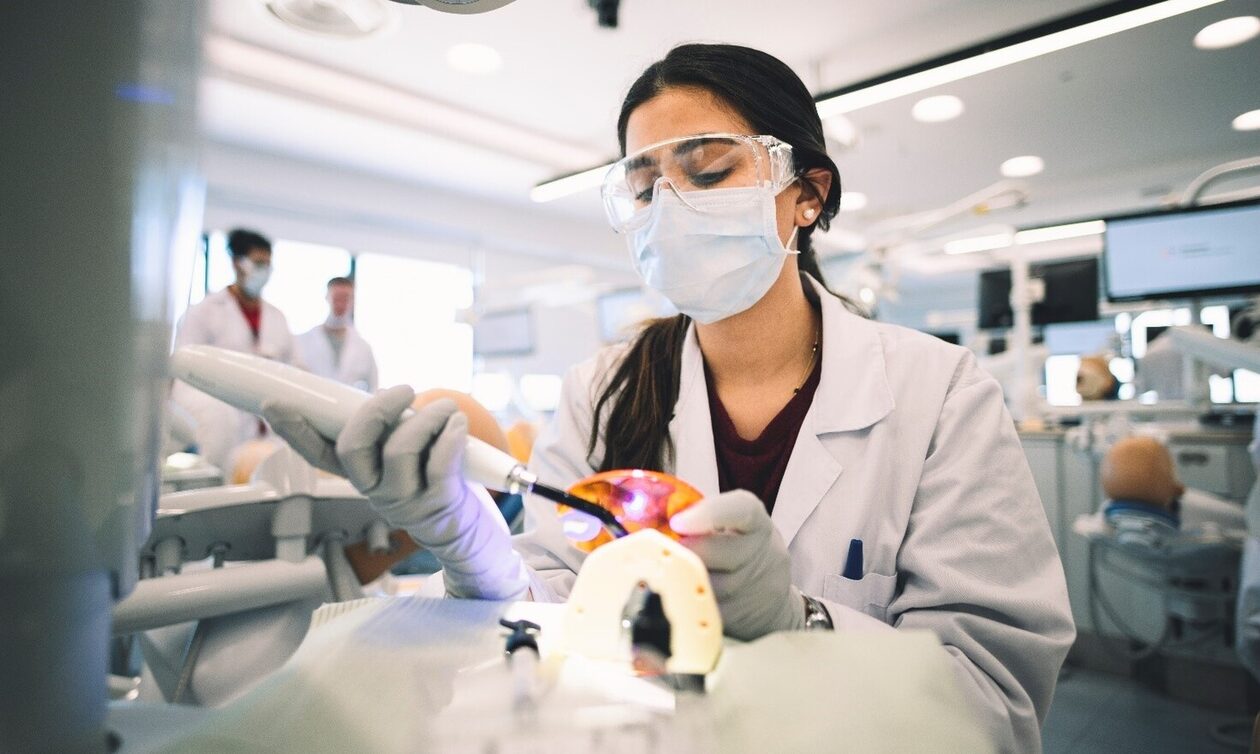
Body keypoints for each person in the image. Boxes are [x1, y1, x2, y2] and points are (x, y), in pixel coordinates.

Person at [263, 44, 1074, 753]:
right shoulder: (603, 390)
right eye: (646, 187)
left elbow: (993, 699)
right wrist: (467, 544)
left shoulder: (940, 394)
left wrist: (799, 622)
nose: (672, 209)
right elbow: (548, 605)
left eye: (710, 170)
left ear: (808, 192)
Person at [172, 228, 300, 471]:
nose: (264, 270)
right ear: (237, 263)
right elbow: (184, 371)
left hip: (267, 427)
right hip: (220, 419)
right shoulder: (204, 313)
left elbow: (296, 368)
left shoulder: (277, 318)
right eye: (258, 263)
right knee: (220, 473)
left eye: (268, 264)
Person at [296, 277, 378, 393]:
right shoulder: (303, 341)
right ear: (327, 297)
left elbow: (373, 388)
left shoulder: (363, 348)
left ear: (353, 301)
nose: (340, 304)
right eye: (337, 298)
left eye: (345, 298)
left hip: (348, 404)